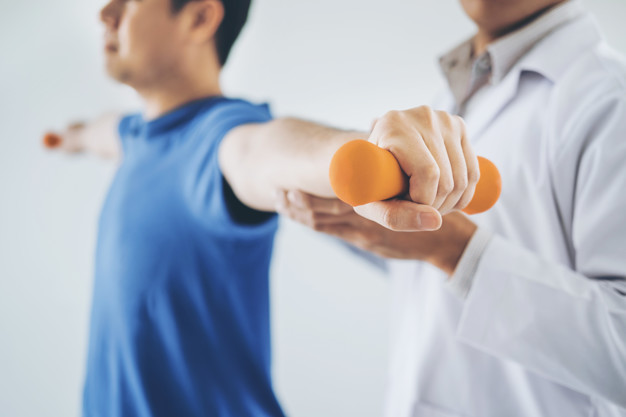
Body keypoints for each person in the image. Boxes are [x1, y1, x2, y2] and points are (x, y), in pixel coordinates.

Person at [44, 0, 479, 415]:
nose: (105, 12)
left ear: (199, 18)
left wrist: (364, 152)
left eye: (132, 0)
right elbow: (102, 132)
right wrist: (71, 138)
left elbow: (269, 150)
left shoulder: (221, 140)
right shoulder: (134, 135)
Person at [278, 0, 626, 415]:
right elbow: (446, 288)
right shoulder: (455, 92)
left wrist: (458, 251)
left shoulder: (610, 100)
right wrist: (366, 230)